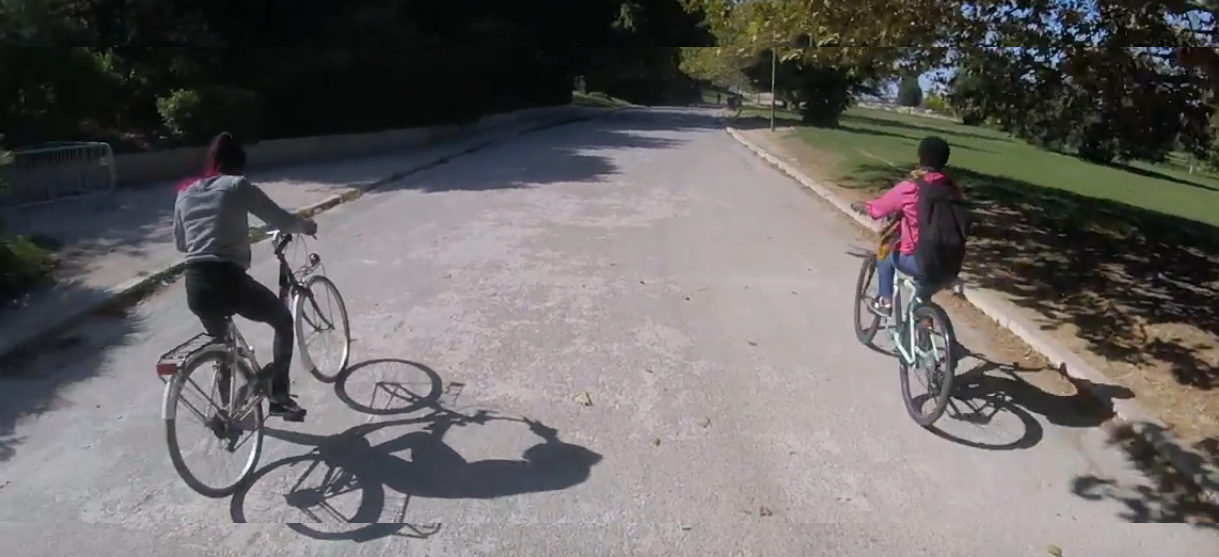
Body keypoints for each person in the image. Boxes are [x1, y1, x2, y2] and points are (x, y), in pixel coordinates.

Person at [173, 132, 318, 421]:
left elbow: (181, 243)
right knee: (283, 320)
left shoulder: (185, 192)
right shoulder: (237, 185)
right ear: (238, 163)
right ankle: (279, 397)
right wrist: (307, 226)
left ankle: (225, 412)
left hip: (196, 283)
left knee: (223, 346)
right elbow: (280, 219)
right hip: (228, 279)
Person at [851, 136, 963, 316]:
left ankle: (885, 301)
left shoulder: (913, 187)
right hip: (951, 265)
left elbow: (881, 208)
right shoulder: (954, 189)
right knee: (922, 297)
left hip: (921, 261)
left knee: (885, 253)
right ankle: (924, 323)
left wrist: (865, 207)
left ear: (920, 158)